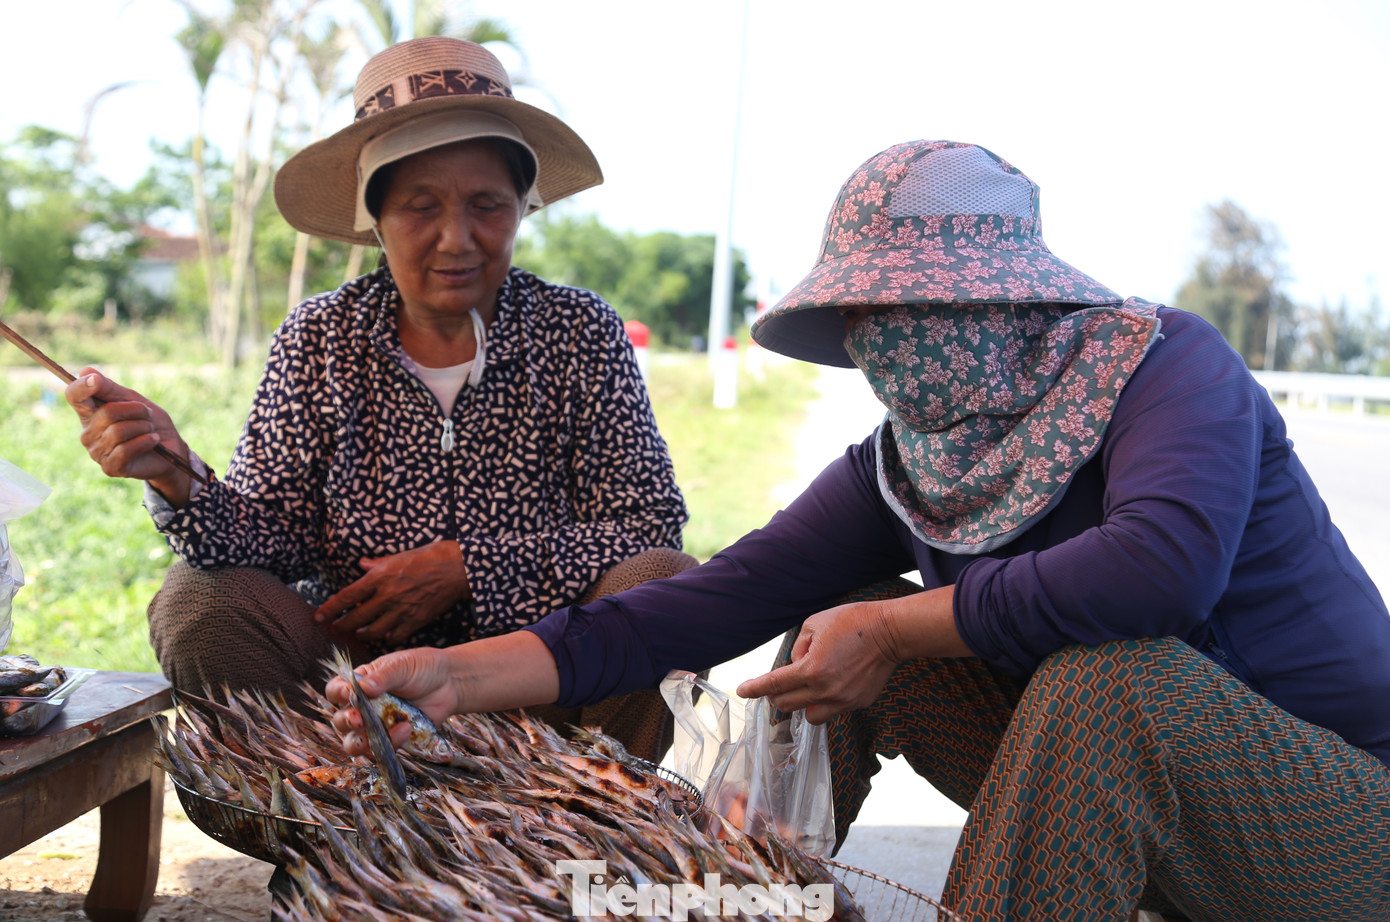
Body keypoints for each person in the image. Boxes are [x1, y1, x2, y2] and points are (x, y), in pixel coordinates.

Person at [329, 139, 1390, 921]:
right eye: (869, 314)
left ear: (1007, 301)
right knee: (840, 629)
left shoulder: (1163, 369)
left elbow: (1159, 571)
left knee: (1103, 675)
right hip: (1154, 830)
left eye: (920, 307)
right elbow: (694, 606)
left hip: (1341, 829)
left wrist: (893, 633)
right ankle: (756, 900)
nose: (889, 341)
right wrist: (452, 678)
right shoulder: (904, 464)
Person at [64, 37, 694, 763]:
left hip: (539, 681)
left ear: (523, 206)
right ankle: (336, 831)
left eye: (487, 205)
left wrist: (471, 566)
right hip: (349, 695)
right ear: (375, 219)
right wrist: (177, 476)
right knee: (201, 600)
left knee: (662, 587)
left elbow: (649, 529)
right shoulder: (322, 335)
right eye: (420, 207)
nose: (456, 239)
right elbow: (273, 540)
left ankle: (584, 815)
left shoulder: (578, 330)